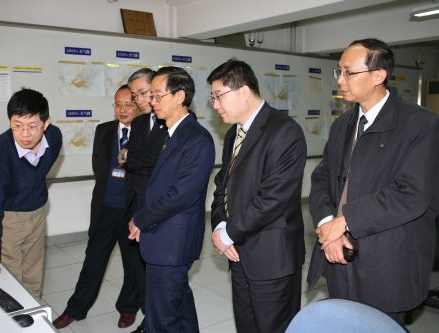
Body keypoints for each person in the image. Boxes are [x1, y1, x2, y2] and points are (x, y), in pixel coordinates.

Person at [307, 38, 439, 325]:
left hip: (387, 262)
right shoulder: (343, 124)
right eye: (338, 72)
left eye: (348, 72)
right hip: (339, 254)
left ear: (378, 76)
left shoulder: (421, 125)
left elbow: (411, 194)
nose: (340, 80)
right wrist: (327, 225)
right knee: (344, 325)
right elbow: (321, 178)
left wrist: (344, 221)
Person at [208, 59, 307, 333]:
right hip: (238, 252)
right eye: (212, 97)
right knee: (247, 324)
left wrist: (229, 233)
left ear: (243, 91)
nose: (215, 105)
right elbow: (222, 185)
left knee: (273, 326)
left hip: (271, 256)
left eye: (219, 96)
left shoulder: (284, 131)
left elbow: (273, 198)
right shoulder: (233, 134)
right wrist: (219, 225)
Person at [128, 66, 215, 333]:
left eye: (157, 95)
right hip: (163, 236)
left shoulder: (197, 139)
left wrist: (141, 219)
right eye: (150, 96)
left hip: (172, 241)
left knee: (161, 318)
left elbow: (180, 194)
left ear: (179, 96)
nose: (151, 102)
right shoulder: (170, 133)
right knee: (178, 304)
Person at [52, 85, 141, 329]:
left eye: (128, 104)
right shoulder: (104, 131)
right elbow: (98, 166)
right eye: (117, 104)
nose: (122, 110)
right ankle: (75, 309)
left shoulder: (146, 133)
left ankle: (128, 307)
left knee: (133, 265)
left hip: (132, 211)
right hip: (105, 209)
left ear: (138, 106)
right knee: (93, 261)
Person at [0, 88, 62, 298]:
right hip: (9, 218)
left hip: (39, 213)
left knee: (33, 275)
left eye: (32, 126)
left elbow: (37, 173)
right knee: (11, 279)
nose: (24, 134)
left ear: (45, 123)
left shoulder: (55, 137)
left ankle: (33, 320)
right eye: (17, 126)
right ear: (10, 123)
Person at [118, 68, 168, 333]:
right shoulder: (137, 123)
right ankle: (149, 319)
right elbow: (134, 160)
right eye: (135, 95)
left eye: (143, 93)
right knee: (140, 268)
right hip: (135, 204)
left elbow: (157, 162)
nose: (139, 100)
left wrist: (132, 158)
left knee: (159, 273)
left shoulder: (170, 121)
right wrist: (135, 159)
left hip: (159, 208)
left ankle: (155, 322)